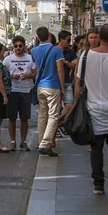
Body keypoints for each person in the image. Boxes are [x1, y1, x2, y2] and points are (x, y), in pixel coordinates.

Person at [75, 23, 108, 195]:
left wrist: (77, 103)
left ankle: (98, 184)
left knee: (96, 146)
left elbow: (79, 83)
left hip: (93, 108)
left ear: (99, 37)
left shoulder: (85, 55)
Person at [31, 27, 65, 157]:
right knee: (53, 115)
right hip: (53, 85)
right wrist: (62, 87)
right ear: (50, 36)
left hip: (40, 85)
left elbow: (35, 67)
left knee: (42, 115)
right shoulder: (56, 50)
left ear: (38, 38)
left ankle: (41, 141)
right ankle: (46, 143)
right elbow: (60, 70)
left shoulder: (34, 51)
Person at [3, 36, 37, 151]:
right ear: (13, 47)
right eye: (16, 46)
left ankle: (23, 142)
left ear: (24, 46)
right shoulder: (8, 59)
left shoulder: (30, 58)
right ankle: (13, 142)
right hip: (12, 91)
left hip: (26, 90)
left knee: (24, 118)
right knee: (11, 118)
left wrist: (29, 75)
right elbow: (2, 75)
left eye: (20, 46)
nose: (18, 48)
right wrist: (11, 76)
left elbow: (34, 73)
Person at [58, 30, 77, 106]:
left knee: (69, 104)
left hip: (67, 81)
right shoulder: (54, 50)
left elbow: (75, 65)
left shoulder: (70, 52)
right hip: (56, 82)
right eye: (68, 40)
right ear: (61, 40)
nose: (69, 42)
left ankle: (63, 118)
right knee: (57, 106)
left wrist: (66, 62)